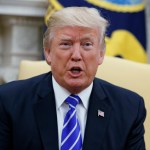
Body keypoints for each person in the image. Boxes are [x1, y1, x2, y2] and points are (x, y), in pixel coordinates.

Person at [0, 7, 146, 150]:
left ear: (101, 54)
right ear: (48, 53)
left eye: (86, 45)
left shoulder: (130, 109)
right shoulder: (8, 101)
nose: (76, 55)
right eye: (66, 44)